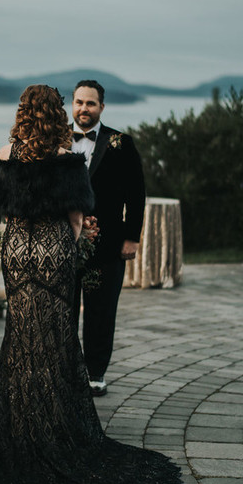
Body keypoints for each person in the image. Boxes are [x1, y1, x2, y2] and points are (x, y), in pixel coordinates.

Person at [0, 85, 179, 484]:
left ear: (22, 114)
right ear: (56, 115)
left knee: (21, 334)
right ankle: (53, 423)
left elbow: (2, 209)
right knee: (55, 333)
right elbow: (76, 217)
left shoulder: (6, 154)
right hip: (54, 251)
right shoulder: (67, 160)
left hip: (16, 251)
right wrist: (70, 244)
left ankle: (19, 424)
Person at [71, 79, 146, 397]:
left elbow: (136, 194)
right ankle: (68, 372)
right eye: (79, 102)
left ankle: (95, 374)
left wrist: (132, 238)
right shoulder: (57, 140)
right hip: (64, 242)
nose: (83, 108)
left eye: (90, 103)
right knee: (64, 310)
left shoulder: (121, 143)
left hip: (108, 243)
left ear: (101, 107)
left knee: (101, 312)